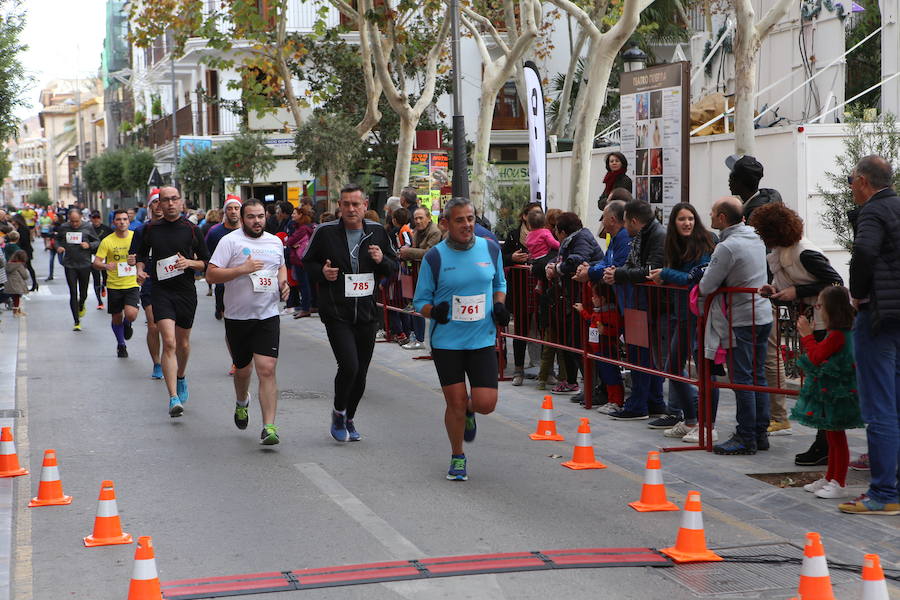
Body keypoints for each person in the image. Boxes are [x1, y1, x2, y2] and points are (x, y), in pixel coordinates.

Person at [413, 197, 507, 481]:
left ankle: (470, 409)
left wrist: (499, 304)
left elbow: (499, 283)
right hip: (448, 343)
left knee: (486, 403)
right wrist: (435, 312)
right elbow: (420, 302)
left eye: (471, 218)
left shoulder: (489, 248)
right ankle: (457, 456)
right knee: (453, 402)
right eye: (460, 220)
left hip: (481, 339)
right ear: (446, 224)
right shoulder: (435, 257)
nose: (467, 225)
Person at [302, 184, 398, 441]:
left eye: (356, 204)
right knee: (349, 366)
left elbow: (394, 267)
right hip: (337, 311)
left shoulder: (377, 232)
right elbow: (306, 262)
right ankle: (338, 411)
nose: (351, 209)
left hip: (367, 313)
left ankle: (349, 416)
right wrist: (322, 273)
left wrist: (381, 261)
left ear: (365, 205)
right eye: (346, 204)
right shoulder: (325, 232)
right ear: (340, 206)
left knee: (362, 372)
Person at [749, 202, 843, 465]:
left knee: (822, 388)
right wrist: (777, 292)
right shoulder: (788, 251)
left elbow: (835, 282)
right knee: (818, 387)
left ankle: (826, 446)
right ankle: (824, 444)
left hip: (825, 327)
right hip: (815, 324)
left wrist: (795, 293)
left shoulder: (803, 253)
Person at [840, 155, 900, 515]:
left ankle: (883, 492)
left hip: (877, 316)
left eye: (851, 180)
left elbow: (863, 251)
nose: (850, 188)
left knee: (879, 407)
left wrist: (857, 293)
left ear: (863, 181)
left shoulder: (873, 212)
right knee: (895, 402)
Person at [206, 199, 290, 445]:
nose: (257, 221)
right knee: (243, 370)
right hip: (237, 317)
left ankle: (269, 427)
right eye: (251, 217)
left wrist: (283, 283)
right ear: (243, 219)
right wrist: (242, 269)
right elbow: (211, 274)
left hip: (267, 315)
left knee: (267, 368)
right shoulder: (230, 242)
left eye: (261, 216)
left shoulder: (274, 242)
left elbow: (280, 267)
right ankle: (242, 402)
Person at [699, 196, 773, 455]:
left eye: (712, 212)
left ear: (721, 218)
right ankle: (760, 432)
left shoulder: (727, 247)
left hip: (743, 317)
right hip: (763, 313)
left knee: (742, 378)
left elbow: (706, 286)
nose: (709, 214)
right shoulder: (755, 236)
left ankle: (746, 436)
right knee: (758, 376)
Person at [135, 186, 210, 417]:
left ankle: (181, 376)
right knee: (169, 342)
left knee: (183, 344)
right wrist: (139, 270)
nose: (169, 204)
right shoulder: (149, 229)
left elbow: (206, 263)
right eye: (164, 200)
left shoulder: (192, 229)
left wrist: (189, 263)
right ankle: (173, 398)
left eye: (173, 199)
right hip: (161, 290)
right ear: (158, 204)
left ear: (181, 202)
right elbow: (139, 256)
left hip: (185, 291)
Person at [647, 203, 718, 439]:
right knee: (673, 368)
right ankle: (691, 421)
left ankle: (707, 426)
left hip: (701, 316)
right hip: (683, 315)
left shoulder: (705, 242)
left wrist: (666, 274)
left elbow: (695, 278)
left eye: (690, 218)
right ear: (673, 223)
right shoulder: (674, 245)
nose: (687, 223)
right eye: (681, 219)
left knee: (706, 372)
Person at [792, 285, 864, 499]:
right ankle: (830, 476)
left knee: (836, 437)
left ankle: (838, 481)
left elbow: (815, 357)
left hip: (836, 391)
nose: (818, 309)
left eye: (820, 305)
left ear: (830, 308)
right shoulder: (839, 332)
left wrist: (807, 335)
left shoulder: (838, 335)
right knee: (831, 435)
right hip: (832, 389)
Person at [602, 200, 667, 419]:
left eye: (626, 221)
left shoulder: (656, 235)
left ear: (634, 221)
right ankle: (650, 401)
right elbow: (632, 264)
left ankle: (642, 403)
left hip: (648, 304)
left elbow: (649, 270)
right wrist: (617, 272)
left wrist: (618, 275)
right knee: (641, 355)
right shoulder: (640, 236)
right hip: (639, 304)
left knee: (644, 356)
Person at [502, 202, 544, 386]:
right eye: (534, 213)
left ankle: (543, 369)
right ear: (524, 216)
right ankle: (518, 369)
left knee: (542, 329)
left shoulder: (546, 233)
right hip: (519, 289)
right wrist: (512, 258)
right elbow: (502, 257)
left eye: (539, 213)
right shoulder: (513, 235)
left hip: (540, 288)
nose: (537, 216)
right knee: (520, 329)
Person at [93, 209, 140, 357]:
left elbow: (144, 255)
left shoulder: (136, 237)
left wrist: (138, 262)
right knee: (116, 317)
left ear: (129, 221)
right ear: (114, 222)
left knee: (131, 314)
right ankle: (121, 344)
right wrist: (106, 266)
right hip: (114, 285)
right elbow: (96, 262)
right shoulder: (107, 241)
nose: (122, 222)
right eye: (119, 219)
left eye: (125, 219)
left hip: (132, 283)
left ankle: (128, 325)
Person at [131, 193, 165, 379]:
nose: (159, 206)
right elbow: (134, 256)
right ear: (150, 206)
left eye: (163, 202)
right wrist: (135, 264)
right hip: (150, 281)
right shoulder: (141, 230)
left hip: (172, 281)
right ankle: (157, 363)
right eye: (155, 203)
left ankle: (171, 359)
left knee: (171, 329)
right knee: (153, 326)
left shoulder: (177, 228)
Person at [56, 208, 100, 331]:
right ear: (69, 219)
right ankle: (76, 321)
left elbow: (97, 241)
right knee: (73, 293)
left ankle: (82, 304)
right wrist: (58, 247)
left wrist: (89, 245)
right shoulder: (64, 227)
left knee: (84, 292)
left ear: (81, 217)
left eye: (77, 221)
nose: (75, 224)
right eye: (72, 221)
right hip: (70, 265)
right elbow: (58, 240)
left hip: (85, 264)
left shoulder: (88, 227)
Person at [207, 196, 243, 321]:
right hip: (222, 273)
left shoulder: (247, 230)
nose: (233, 211)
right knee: (221, 289)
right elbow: (207, 252)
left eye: (236, 208)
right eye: (230, 208)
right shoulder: (215, 231)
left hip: (242, 274)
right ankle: (220, 308)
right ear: (225, 211)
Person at [725, 154, 782, 222]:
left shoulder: (755, 217)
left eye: (731, 177)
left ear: (740, 183)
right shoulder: (770, 198)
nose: (729, 181)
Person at [284, 205, 315, 318]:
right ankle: (307, 307)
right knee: (305, 285)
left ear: (301, 215)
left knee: (304, 285)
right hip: (302, 260)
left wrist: (291, 243)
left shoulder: (302, 229)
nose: (292, 215)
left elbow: (290, 241)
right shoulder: (305, 227)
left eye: (295, 213)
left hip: (300, 260)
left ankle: (305, 309)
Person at [90, 211, 112, 310]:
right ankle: (99, 301)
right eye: (94, 218)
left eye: (97, 217)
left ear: (100, 218)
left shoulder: (107, 229)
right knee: (96, 279)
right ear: (91, 219)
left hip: (105, 257)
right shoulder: (88, 229)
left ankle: (103, 286)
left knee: (106, 278)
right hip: (93, 256)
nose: (96, 220)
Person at [4, 250, 29, 316]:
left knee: (14, 297)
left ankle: (17, 311)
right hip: (17, 283)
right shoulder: (19, 265)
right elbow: (25, 276)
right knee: (17, 297)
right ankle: (16, 312)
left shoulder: (9, 264)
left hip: (9, 284)